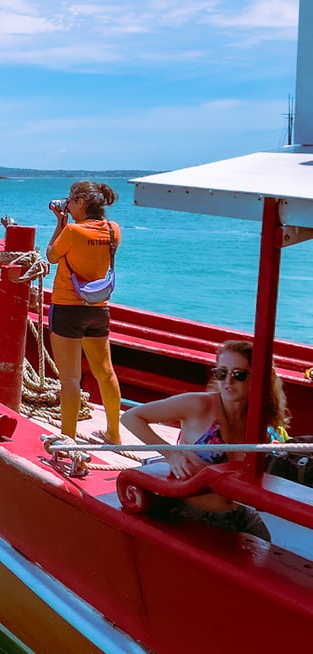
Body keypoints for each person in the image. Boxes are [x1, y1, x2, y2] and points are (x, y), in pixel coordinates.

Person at [120, 340, 290, 540]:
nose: (228, 382)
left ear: (258, 378)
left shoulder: (258, 420)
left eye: (238, 375)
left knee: (268, 552)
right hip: (191, 512)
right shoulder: (199, 405)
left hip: (237, 514)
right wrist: (171, 453)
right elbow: (131, 417)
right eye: (221, 373)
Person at [46, 180, 122, 444]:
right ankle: (114, 433)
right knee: (105, 371)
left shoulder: (73, 231)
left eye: (71, 199)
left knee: (70, 378)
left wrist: (60, 222)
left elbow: (51, 256)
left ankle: (67, 438)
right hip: (98, 308)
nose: (68, 202)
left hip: (68, 308)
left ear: (80, 202)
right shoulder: (114, 230)